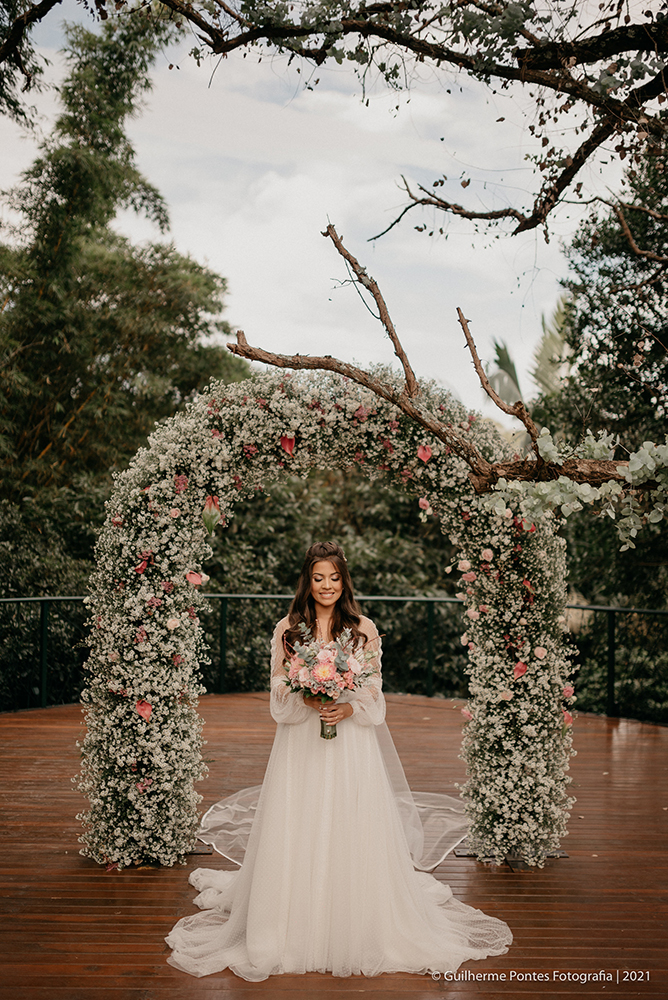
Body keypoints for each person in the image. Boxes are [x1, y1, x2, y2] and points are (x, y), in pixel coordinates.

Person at [165, 541, 512, 980]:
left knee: (350, 820)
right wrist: (307, 696)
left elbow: (373, 689)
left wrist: (347, 708)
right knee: (300, 819)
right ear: (307, 582)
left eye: (334, 577)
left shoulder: (362, 628)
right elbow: (277, 688)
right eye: (318, 578)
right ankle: (289, 921)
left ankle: (355, 919)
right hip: (302, 742)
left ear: (344, 581)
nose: (326, 586)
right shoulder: (289, 629)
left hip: (350, 745)